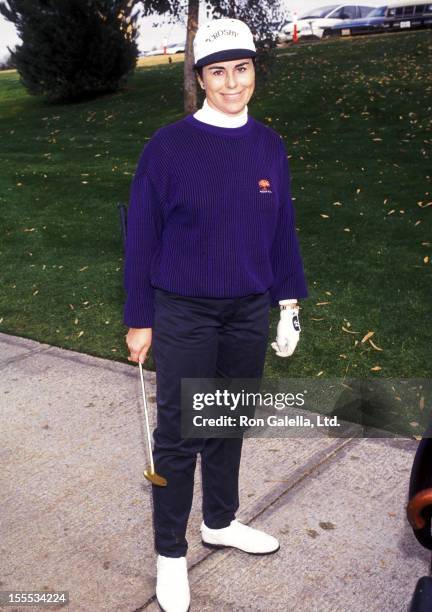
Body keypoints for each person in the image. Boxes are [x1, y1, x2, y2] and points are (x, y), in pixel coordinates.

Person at [123, 17, 308, 612]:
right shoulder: (169, 147)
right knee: (179, 433)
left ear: (255, 70)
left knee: (228, 419)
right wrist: (139, 317)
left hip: (249, 309)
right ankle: (170, 554)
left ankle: (220, 522)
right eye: (218, 71)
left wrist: (288, 305)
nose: (232, 83)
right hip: (185, 310)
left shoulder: (268, 144)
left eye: (242, 68)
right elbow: (141, 239)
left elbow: (281, 230)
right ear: (200, 77)